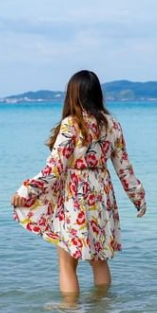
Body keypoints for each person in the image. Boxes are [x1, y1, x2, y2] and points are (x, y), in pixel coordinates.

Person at [11, 69, 146, 296]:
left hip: (75, 197)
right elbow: (124, 167)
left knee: (67, 263)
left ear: (73, 94)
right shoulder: (113, 125)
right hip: (102, 195)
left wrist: (27, 190)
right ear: (96, 94)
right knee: (99, 260)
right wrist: (138, 196)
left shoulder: (71, 124)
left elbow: (54, 168)